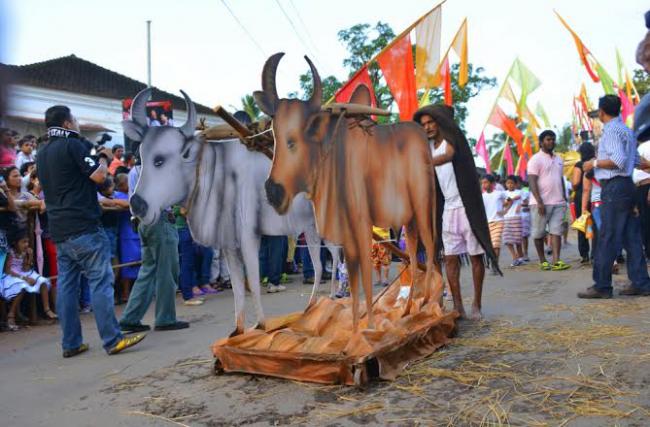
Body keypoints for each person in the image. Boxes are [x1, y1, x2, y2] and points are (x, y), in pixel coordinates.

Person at [37, 105, 146, 357]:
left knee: (67, 286)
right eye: (73, 119)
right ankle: (112, 339)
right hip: (84, 225)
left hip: (59, 228)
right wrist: (101, 158)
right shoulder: (73, 145)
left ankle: (71, 343)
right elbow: (99, 178)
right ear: (66, 123)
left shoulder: (42, 152)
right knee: (101, 281)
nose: (76, 123)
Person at [414, 104, 500, 320]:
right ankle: (458, 306)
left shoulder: (453, 140)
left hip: (466, 206)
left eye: (431, 122)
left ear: (440, 121)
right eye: (423, 124)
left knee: (475, 257)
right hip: (448, 211)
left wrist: (423, 163)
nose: (427, 127)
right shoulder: (427, 148)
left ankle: (477, 305)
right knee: (450, 259)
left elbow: (448, 156)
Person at [579, 95, 650, 298]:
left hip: (614, 186)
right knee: (632, 236)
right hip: (627, 186)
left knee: (608, 236)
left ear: (602, 111)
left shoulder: (610, 131)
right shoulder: (627, 131)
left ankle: (602, 285)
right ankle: (641, 283)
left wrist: (592, 163)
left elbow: (617, 160)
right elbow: (637, 160)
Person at [120, 164, 188, 332]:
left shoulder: (134, 171)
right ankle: (165, 318)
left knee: (147, 272)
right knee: (167, 271)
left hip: (143, 221)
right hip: (160, 219)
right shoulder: (157, 169)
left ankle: (131, 317)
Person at [527, 130, 570, 271]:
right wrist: (539, 201)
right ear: (541, 142)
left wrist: (564, 197)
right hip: (540, 203)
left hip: (558, 202)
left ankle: (557, 261)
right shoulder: (535, 159)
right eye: (548, 139)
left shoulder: (558, 159)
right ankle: (543, 261)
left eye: (553, 139)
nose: (551, 142)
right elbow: (532, 181)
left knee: (556, 231)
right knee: (538, 233)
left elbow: (560, 180)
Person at [2, 229, 57, 320]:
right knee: (22, 286)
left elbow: (25, 269)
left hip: (23, 273)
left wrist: (29, 257)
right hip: (12, 275)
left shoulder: (24, 252)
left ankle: (47, 309)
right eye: (23, 242)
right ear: (16, 243)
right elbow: (7, 270)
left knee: (42, 281)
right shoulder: (10, 253)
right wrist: (24, 278)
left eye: (27, 242)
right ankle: (11, 314)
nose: (26, 244)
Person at [113, 173, 139, 303]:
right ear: (121, 184)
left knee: (138, 262)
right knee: (127, 265)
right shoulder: (116, 195)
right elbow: (127, 204)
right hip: (126, 234)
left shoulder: (132, 193)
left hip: (135, 232)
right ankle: (125, 293)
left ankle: (136, 292)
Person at [481, 174, 506, 274]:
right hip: (486, 223)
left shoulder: (499, 193)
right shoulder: (482, 196)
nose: (483, 185)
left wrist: (505, 210)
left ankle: (495, 265)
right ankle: (493, 263)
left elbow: (509, 199)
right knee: (489, 246)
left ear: (492, 184)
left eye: (486, 182)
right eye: (482, 183)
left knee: (495, 244)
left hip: (498, 221)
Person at [573, 143, 592, 263]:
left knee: (583, 224)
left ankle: (585, 254)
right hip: (596, 196)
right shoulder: (596, 164)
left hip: (582, 196)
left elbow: (575, 183)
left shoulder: (580, 165)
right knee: (594, 224)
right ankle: (597, 252)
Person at [503, 175, 525, 267]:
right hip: (506, 218)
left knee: (517, 240)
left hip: (517, 218)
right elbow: (503, 203)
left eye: (512, 183)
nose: (510, 185)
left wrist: (520, 205)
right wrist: (507, 202)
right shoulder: (503, 193)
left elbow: (522, 199)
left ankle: (520, 258)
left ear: (516, 184)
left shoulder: (520, 192)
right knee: (507, 240)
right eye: (508, 183)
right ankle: (514, 257)